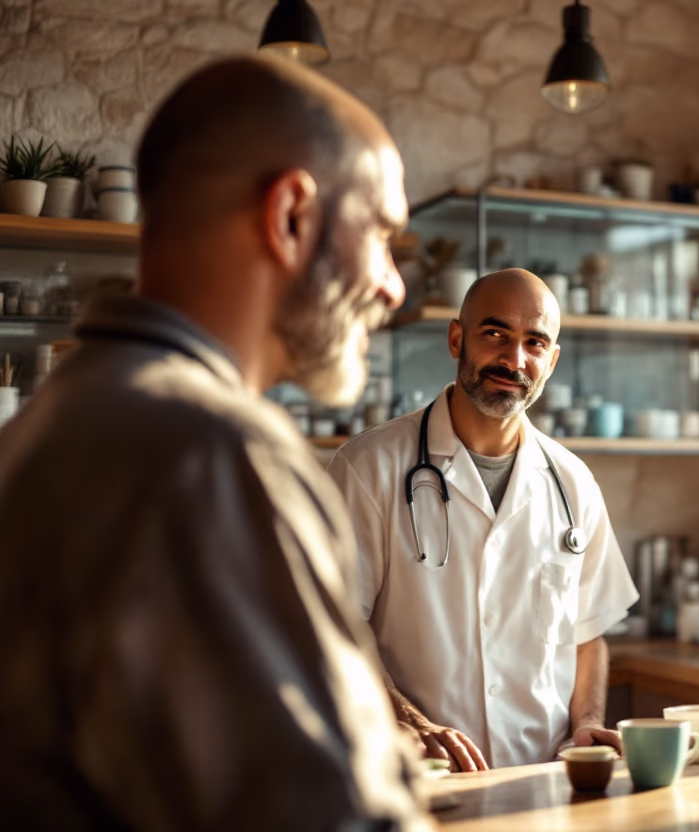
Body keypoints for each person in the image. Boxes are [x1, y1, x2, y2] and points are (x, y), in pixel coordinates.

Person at [0, 57, 432, 830]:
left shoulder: (44, 427)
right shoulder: (210, 453)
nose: (394, 286)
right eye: (380, 234)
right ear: (291, 216)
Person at [328, 268, 639, 770]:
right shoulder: (368, 468)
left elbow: (587, 633)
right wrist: (410, 722)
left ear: (552, 360)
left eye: (535, 342)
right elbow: (335, 625)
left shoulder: (573, 482)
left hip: (543, 777)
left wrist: (586, 721)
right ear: (457, 339)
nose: (514, 360)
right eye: (495, 333)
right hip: (421, 776)